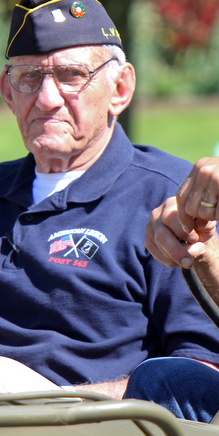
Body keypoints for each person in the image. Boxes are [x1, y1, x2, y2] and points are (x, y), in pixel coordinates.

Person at [0, 0, 219, 400]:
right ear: (8, 92)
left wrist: (49, 406)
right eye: (30, 77)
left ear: (120, 89)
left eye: (71, 76)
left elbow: (198, 372)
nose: (47, 99)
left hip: (91, 423)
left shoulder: (171, 200)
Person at [124, 157, 219, 422]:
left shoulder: (158, 181)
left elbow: (201, 357)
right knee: (166, 381)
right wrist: (204, 250)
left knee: (162, 378)